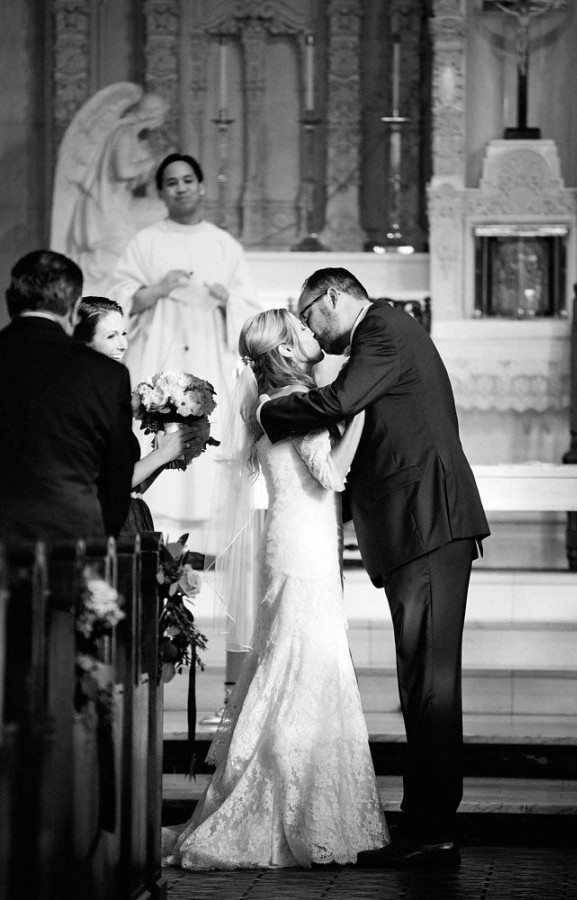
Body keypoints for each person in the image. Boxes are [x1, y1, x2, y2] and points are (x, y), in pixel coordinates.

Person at [258, 268, 490, 869]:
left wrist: (269, 416)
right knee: (421, 682)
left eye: (309, 314)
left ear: (332, 297)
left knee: (431, 684)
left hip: (428, 523)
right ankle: (427, 820)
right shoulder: (381, 331)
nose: (310, 327)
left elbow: (339, 403)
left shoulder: (381, 327)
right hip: (418, 528)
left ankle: (433, 827)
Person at [162, 308, 389, 870]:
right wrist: (364, 409)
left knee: (299, 662)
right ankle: (291, 809)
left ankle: (303, 804)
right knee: (306, 665)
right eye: (305, 331)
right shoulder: (290, 406)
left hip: (295, 544)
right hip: (302, 551)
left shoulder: (275, 403)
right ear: (287, 350)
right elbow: (332, 474)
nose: (316, 336)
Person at [110, 152, 262, 546]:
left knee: (209, 434)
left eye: (188, 180)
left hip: (209, 351)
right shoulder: (146, 241)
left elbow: (250, 309)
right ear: (162, 191)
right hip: (160, 350)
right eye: (172, 182)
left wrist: (227, 299)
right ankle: (156, 529)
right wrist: (158, 289)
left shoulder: (222, 244)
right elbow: (120, 297)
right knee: (154, 429)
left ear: (202, 186)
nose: (181, 188)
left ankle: (209, 540)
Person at [0, 250, 135, 544]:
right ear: (74, 310)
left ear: (10, 299)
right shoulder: (107, 375)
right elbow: (118, 470)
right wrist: (100, 540)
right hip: (70, 533)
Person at [73, 296, 203, 533]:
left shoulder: (109, 389)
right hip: (103, 525)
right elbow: (107, 483)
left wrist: (166, 451)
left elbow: (131, 485)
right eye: (111, 336)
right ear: (84, 343)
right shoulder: (84, 398)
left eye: (124, 333)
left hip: (130, 514)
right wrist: (162, 455)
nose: (123, 344)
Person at [51, 84, 169, 295]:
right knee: (159, 213)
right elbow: (123, 171)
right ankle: (88, 267)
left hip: (121, 202)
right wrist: (153, 161)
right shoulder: (123, 134)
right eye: (161, 116)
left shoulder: (130, 136)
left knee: (162, 210)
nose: (161, 121)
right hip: (111, 207)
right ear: (151, 115)